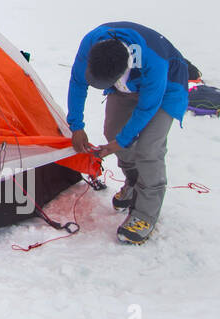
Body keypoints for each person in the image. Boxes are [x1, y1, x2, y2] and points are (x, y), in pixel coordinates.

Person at [66, 22, 191, 244]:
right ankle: (134, 183)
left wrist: (122, 141)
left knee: (148, 148)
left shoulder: (153, 59)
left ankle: (145, 213)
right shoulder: (91, 43)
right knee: (111, 130)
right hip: (125, 87)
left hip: (165, 91)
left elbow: (147, 108)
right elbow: (77, 82)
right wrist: (76, 126)